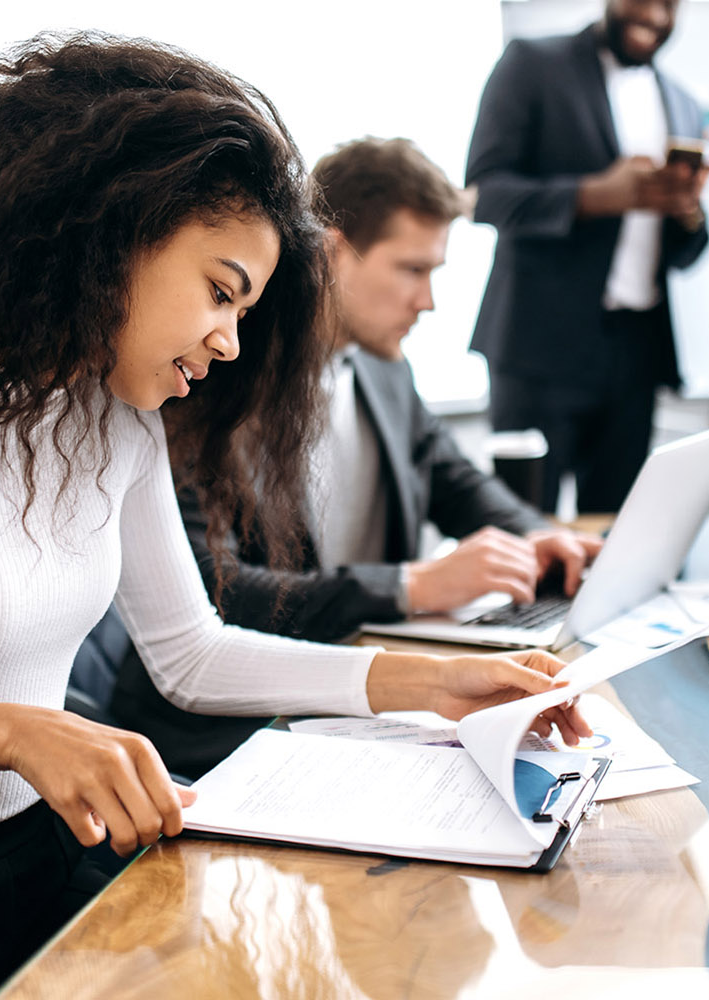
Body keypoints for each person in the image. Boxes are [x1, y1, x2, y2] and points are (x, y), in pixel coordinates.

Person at [0, 35, 589, 998]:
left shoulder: (115, 417)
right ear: (108, 232)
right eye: (220, 292)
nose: (227, 341)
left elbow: (191, 655)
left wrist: (424, 681)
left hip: (29, 869)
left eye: (246, 311)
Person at [108, 137, 603, 778]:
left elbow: (451, 475)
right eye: (412, 269)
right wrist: (410, 586)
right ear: (332, 252)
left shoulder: (385, 369)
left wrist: (540, 537)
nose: (427, 301)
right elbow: (216, 593)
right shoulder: (203, 375)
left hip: (351, 699)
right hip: (214, 746)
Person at [465, 0, 709, 514]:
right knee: (526, 528)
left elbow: (686, 253)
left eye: (670, 4)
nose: (656, 14)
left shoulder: (686, 105)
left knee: (619, 532)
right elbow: (484, 194)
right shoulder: (531, 64)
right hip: (538, 347)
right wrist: (597, 195)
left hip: (637, 353)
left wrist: (688, 212)